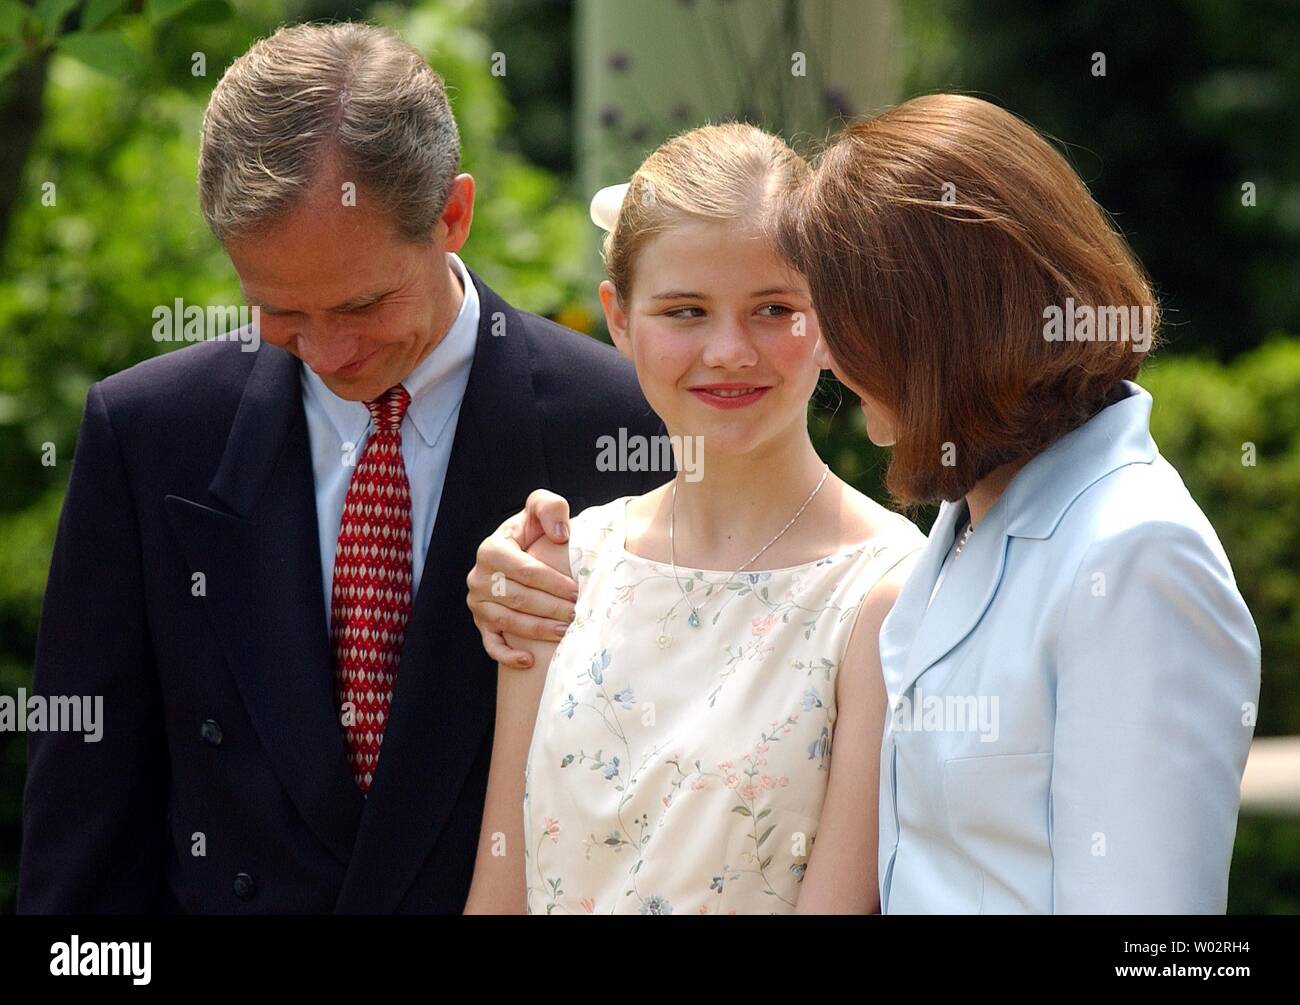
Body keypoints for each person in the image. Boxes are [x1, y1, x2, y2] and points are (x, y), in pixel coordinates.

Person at [467, 95, 1262, 914]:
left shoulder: (1130, 548)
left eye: (827, 315)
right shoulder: (970, 528)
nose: (836, 355)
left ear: (950, 325)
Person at [18, 22, 667, 914]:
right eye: (279, 311)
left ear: (452, 215)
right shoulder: (149, 435)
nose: (326, 350)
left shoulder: (628, 426)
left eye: (363, 302)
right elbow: (81, 843)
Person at [463, 123, 924, 915]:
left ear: (833, 320)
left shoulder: (884, 592)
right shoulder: (559, 563)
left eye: (775, 308)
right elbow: (500, 888)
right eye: (684, 311)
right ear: (618, 317)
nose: (729, 350)